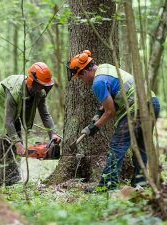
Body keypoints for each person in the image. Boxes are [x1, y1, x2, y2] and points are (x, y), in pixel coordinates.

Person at [66, 50, 160, 192]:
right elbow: (110, 100)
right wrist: (98, 113)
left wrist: (93, 127)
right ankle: (140, 183)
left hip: (137, 109)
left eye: (79, 77)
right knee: (141, 146)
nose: (82, 81)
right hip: (152, 103)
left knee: (117, 145)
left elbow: (110, 112)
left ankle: (107, 186)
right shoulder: (105, 68)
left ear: (85, 72)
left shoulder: (97, 83)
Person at [0, 62, 62, 187]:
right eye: (40, 86)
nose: (42, 89)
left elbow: (45, 114)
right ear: (32, 82)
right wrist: (18, 143)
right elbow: (8, 121)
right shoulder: (15, 91)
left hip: (13, 112)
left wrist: (52, 133)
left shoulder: (39, 93)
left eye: (44, 86)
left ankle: (12, 180)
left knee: (15, 145)